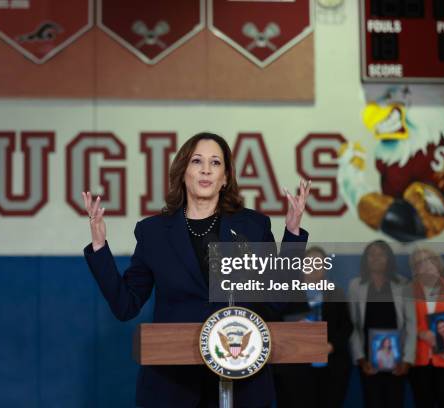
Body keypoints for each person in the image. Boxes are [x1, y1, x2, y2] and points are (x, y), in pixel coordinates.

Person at [82, 132, 310, 408]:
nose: (205, 169)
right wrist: (99, 246)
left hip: (241, 381)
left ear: (225, 177)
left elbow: (276, 302)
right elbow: (125, 305)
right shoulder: (153, 233)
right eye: (197, 161)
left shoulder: (253, 227)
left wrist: (293, 234)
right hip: (173, 384)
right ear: (183, 172)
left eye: (215, 163)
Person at [274, 246, 352, 408]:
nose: (314, 267)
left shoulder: (336, 293)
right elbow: (278, 324)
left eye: (319, 263)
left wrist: (331, 346)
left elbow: (346, 325)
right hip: (296, 369)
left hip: (331, 366)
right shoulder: (287, 293)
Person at [348, 240, 416, 408]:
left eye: (381, 254)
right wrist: (361, 359)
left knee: (395, 402)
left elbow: (411, 324)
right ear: (365, 259)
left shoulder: (403, 284)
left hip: (397, 359)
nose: (376, 258)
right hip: (368, 360)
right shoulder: (355, 286)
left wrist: (407, 360)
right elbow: (353, 325)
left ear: (389, 258)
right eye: (371, 254)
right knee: (372, 402)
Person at [409, 247, 444, 408]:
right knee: (423, 403)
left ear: (438, 263)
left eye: (429, 259)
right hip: (420, 361)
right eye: (419, 262)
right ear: (415, 269)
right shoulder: (407, 291)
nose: (425, 265)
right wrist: (420, 333)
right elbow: (402, 323)